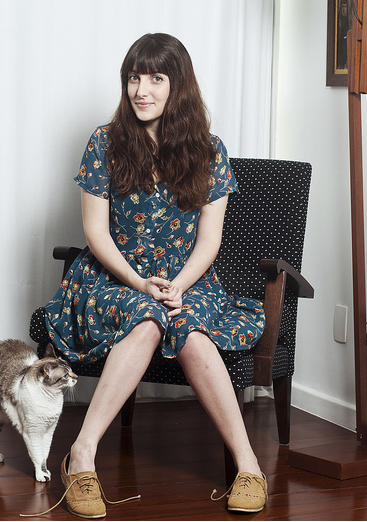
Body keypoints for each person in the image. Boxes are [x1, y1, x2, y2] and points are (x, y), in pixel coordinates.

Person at [43, 33, 267, 518]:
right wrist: (140, 283)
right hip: (112, 277)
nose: (141, 90)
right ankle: (81, 456)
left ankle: (248, 465)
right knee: (147, 317)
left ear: (178, 85)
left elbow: (209, 239)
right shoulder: (104, 142)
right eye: (134, 78)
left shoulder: (210, 151)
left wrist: (179, 284)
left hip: (188, 278)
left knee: (189, 326)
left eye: (156, 78)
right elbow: (95, 233)